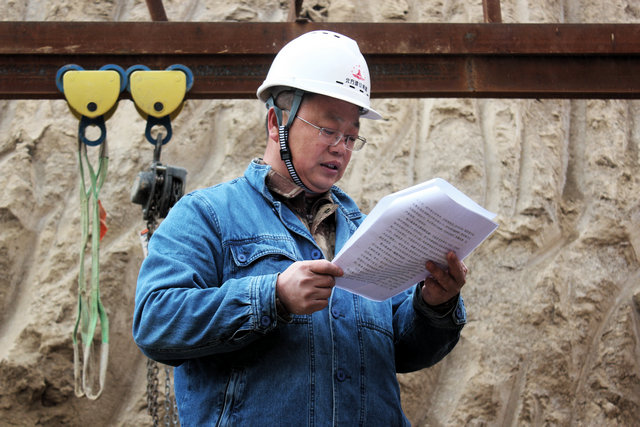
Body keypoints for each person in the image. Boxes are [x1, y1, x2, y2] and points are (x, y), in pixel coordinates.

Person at [133, 30, 468, 426]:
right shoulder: (207, 215)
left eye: (351, 136)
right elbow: (155, 322)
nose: (341, 147)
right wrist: (273, 296)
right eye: (328, 129)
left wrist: (433, 305)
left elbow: (406, 351)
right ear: (276, 121)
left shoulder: (366, 232)